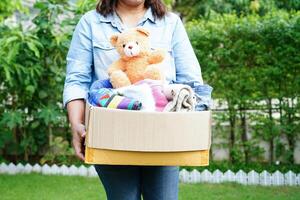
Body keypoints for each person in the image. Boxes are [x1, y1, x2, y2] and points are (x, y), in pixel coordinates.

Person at [63, 0, 203, 199]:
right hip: (111, 133)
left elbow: (191, 82)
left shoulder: (170, 23)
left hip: (163, 134)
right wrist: (76, 124)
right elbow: (77, 80)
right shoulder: (91, 23)